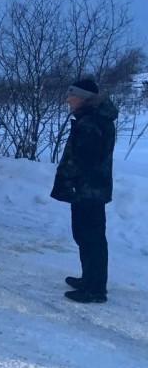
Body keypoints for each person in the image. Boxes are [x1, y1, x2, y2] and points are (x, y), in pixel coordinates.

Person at [50, 78, 117, 304]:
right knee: (87, 236)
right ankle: (89, 279)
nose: (67, 99)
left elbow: (83, 161)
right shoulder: (94, 118)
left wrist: (70, 180)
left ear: (84, 98)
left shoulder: (90, 123)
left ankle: (95, 289)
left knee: (90, 237)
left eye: (72, 95)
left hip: (88, 190)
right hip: (91, 189)